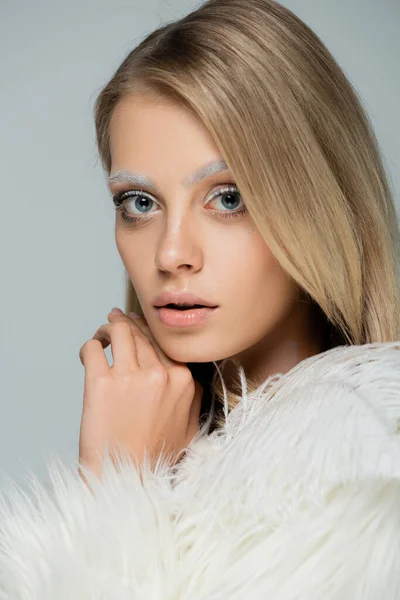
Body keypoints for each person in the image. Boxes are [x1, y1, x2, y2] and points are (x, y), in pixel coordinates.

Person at [1, 0, 400, 597]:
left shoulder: (358, 450)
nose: (169, 254)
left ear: (319, 202)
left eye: (229, 197)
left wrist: (115, 491)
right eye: (139, 202)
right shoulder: (176, 436)